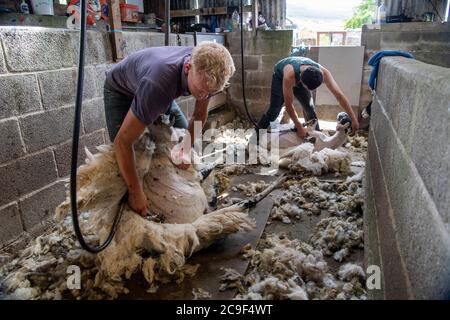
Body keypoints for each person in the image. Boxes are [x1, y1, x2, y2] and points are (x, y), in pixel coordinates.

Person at [103, 42, 235, 216]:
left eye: (210, 93)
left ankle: (191, 198)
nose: (204, 96)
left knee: (186, 149)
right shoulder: (159, 86)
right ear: (188, 67)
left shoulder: (205, 70)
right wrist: (135, 192)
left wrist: (185, 149)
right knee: (128, 164)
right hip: (121, 91)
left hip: (158, 87)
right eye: (202, 91)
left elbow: (199, 114)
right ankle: (136, 210)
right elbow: (122, 142)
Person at [257, 56, 359, 139]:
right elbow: (288, 105)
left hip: (301, 76)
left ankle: (316, 137)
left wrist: (354, 119)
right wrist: (299, 126)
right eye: (307, 88)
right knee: (274, 110)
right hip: (280, 76)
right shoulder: (289, 75)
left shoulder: (324, 73)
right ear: (301, 80)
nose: (309, 91)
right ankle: (255, 137)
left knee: (309, 108)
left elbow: (339, 96)